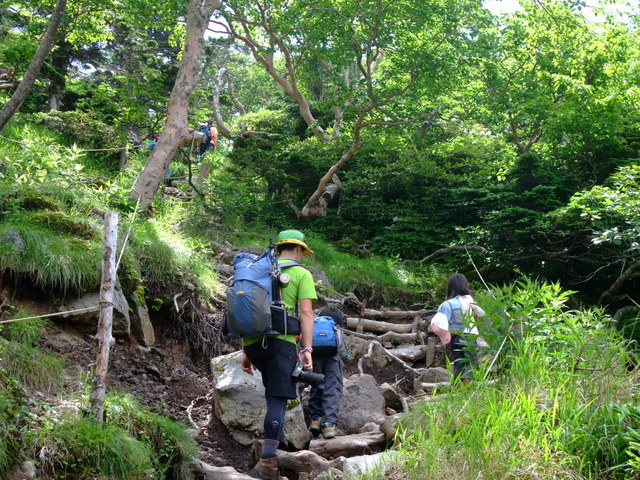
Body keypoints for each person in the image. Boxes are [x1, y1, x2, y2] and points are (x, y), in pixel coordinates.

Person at [241, 229, 317, 480]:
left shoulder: (257, 271)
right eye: (303, 252)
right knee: (277, 400)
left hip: (253, 343)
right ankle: (267, 463)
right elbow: (306, 314)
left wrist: (246, 351)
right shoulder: (300, 273)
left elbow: (248, 309)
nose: (303, 256)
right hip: (281, 343)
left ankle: (271, 451)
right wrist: (306, 349)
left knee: (272, 393)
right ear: (297, 249)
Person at [430, 273, 485, 384]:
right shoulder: (468, 299)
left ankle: (457, 387)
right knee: (470, 361)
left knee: (458, 362)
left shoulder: (448, 303)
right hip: (469, 335)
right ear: (464, 285)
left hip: (455, 337)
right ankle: (467, 387)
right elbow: (482, 313)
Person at [308, 307, 345, 440]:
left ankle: (316, 420)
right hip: (332, 358)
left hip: (315, 355)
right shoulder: (334, 327)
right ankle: (329, 425)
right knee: (332, 388)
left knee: (316, 384)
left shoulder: (316, 325)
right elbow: (341, 346)